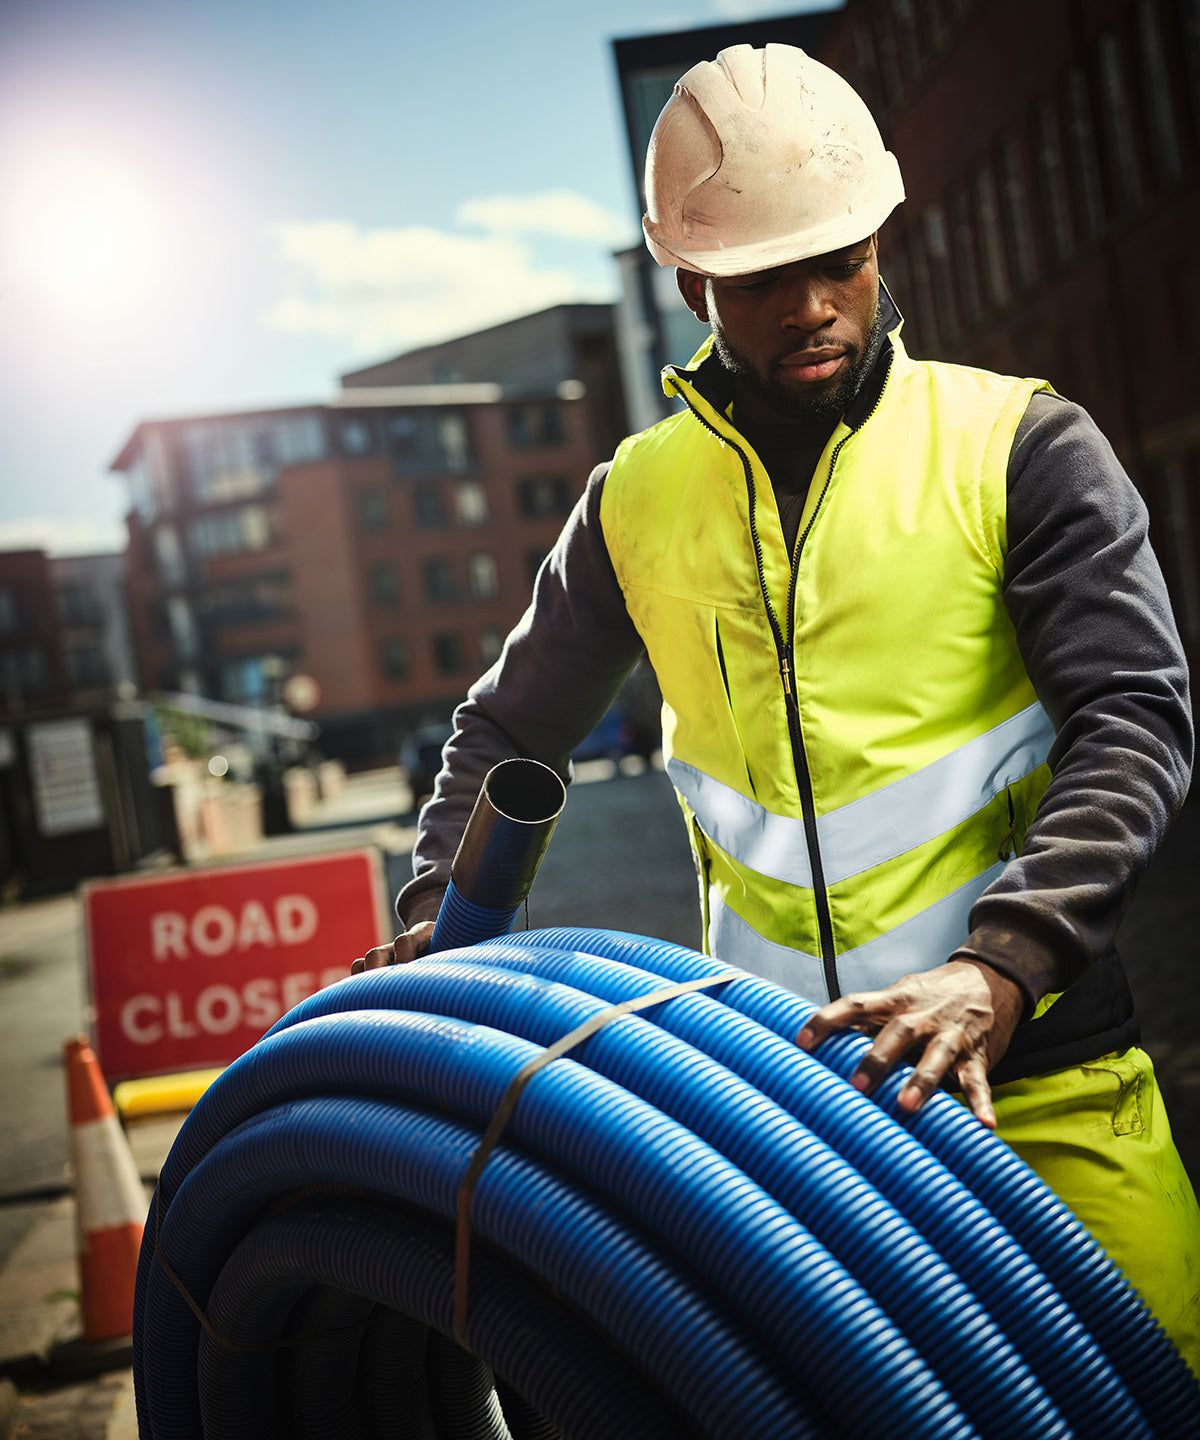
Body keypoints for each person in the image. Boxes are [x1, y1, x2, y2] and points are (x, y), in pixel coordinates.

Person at [355, 44, 1199, 1371]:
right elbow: (508, 731)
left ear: (879, 240)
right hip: (784, 1121)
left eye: (841, 261)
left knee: (1138, 1390)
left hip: (1038, 1085)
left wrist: (1003, 964)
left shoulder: (1020, 447)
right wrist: (438, 921)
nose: (813, 304)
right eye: (763, 278)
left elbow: (1135, 719)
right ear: (694, 282)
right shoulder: (633, 501)